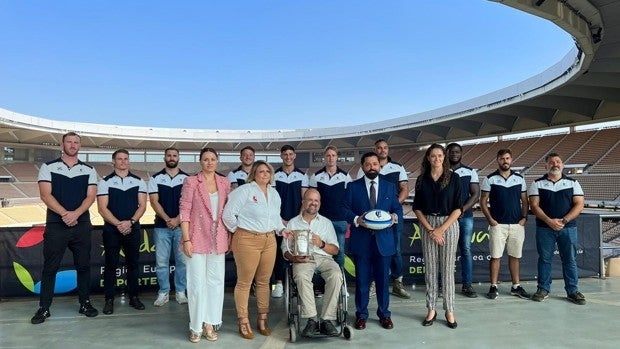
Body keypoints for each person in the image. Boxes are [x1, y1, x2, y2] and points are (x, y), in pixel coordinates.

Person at [31, 132, 99, 324]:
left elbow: (90, 197)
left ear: (79, 145)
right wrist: (65, 214)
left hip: (82, 224)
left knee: (83, 266)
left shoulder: (89, 169)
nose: (72, 144)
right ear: (62, 144)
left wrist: (75, 214)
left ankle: (85, 303)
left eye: (76, 142)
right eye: (69, 141)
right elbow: (45, 195)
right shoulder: (48, 167)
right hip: (56, 225)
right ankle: (44, 308)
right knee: (50, 267)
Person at [222, 160, 286, 340]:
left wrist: (282, 229)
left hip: (269, 240)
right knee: (244, 282)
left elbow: (275, 218)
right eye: (260, 171)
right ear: (254, 174)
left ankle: (262, 319)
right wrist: (240, 231)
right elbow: (228, 215)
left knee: (264, 282)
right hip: (247, 240)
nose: (264, 174)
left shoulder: (274, 194)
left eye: (267, 171)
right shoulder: (244, 191)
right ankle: (243, 321)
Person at [343, 152, 401, 331]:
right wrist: (355, 219)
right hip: (362, 243)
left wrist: (394, 217)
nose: (372, 167)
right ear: (362, 167)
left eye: (375, 163)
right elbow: (343, 209)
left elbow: (397, 209)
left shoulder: (390, 187)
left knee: (383, 282)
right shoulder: (353, 187)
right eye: (368, 164)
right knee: (362, 282)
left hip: (384, 243)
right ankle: (361, 315)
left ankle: (384, 314)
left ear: (379, 166)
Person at [179, 148, 231, 343]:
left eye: (212, 159)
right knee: (196, 284)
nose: (209, 162)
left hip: (218, 238)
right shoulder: (191, 182)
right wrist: (186, 240)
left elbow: (228, 211)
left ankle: (210, 322)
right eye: (206, 159)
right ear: (200, 162)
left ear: (217, 161)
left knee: (216, 283)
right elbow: (184, 212)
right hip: (196, 237)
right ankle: (195, 325)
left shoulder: (224, 183)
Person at [412, 143, 462, 329]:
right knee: (431, 269)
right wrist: (431, 230)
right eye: (433, 156)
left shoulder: (454, 178)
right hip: (428, 225)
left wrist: (441, 229)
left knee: (448, 269)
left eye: (440, 155)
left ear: (444, 157)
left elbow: (458, 208)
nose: (437, 159)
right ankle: (431, 308)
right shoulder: (421, 180)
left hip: (449, 224)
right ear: (428, 158)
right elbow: (417, 208)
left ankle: (449, 310)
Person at [282, 188, 343, 337]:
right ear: (303, 202)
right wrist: (295, 258)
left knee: (336, 275)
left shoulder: (326, 223)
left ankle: (327, 320)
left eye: (316, 201)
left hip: (324, 258)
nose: (313, 203)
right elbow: (284, 250)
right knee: (301, 276)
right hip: (302, 259)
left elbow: (335, 250)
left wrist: (321, 243)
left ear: (320, 204)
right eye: (310, 200)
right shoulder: (293, 223)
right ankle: (312, 319)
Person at [528, 153, 585, 304]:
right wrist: (549, 221)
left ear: (563, 165)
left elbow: (579, 204)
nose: (555, 164)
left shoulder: (573, 183)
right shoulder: (537, 183)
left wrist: (564, 220)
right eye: (551, 162)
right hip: (544, 229)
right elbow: (534, 206)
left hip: (568, 228)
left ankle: (572, 290)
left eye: (558, 162)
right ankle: (543, 289)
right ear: (546, 166)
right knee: (545, 259)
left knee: (569, 259)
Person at [97, 149, 148, 315]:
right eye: (119, 159)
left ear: (129, 161)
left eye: (126, 159)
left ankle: (134, 297)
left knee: (133, 265)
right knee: (111, 265)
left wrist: (131, 222)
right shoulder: (105, 182)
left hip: (133, 228)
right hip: (112, 229)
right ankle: (109, 300)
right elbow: (102, 208)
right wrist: (118, 224)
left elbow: (142, 206)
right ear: (113, 161)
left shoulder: (139, 181)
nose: (123, 161)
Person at [357, 139, 410, 299]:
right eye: (379, 148)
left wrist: (389, 210)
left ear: (388, 149)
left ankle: (397, 282)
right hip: (372, 218)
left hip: (392, 216)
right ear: (375, 149)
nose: (382, 150)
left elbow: (405, 189)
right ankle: (375, 281)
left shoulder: (398, 167)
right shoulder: (365, 168)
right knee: (373, 249)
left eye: (385, 147)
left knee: (396, 250)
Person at [480, 149, 531, 300]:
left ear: (511, 159)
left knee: (515, 256)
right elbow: (483, 201)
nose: (505, 161)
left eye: (507, 158)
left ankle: (516, 286)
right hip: (498, 225)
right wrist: (490, 219)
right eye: (502, 158)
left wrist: (524, 218)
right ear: (498, 160)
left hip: (516, 225)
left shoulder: (519, 178)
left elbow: (525, 201)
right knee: (495, 256)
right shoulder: (490, 179)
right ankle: (493, 286)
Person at [149, 147, 189, 306]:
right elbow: (154, 201)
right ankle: (163, 292)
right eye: (169, 155)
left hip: (182, 227)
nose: (172, 158)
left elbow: (189, 203)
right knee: (161, 262)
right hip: (161, 227)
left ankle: (180, 291)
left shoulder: (187, 179)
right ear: (164, 157)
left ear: (178, 158)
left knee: (182, 262)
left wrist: (178, 220)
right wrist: (167, 219)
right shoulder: (156, 178)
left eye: (174, 155)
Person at [272, 145, 308, 298]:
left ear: (294, 156)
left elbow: (304, 200)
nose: (288, 157)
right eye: (285, 154)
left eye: (290, 154)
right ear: (281, 156)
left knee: (298, 251)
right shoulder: (274, 175)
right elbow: (272, 201)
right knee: (278, 253)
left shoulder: (302, 176)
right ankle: (277, 285)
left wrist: (295, 220)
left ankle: (297, 283)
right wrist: (280, 220)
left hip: (296, 221)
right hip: (279, 222)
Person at [308, 145, 352, 268]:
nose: (330, 158)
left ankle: (340, 283)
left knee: (339, 252)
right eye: (328, 155)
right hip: (321, 220)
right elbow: (312, 198)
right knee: (319, 251)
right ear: (324, 158)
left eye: (333, 155)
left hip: (340, 221)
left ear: (337, 157)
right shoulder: (315, 176)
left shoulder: (345, 176)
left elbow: (349, 199)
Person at [446, 143, 480, 298]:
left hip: (465, 217)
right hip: (445, 218)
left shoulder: (470, 171)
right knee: (445, 252)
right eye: (451, 151)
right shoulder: (441, 171)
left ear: (461, 153)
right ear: (447, 153)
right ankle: (444, 285)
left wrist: (462, 209)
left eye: (457, 151)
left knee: (465, 250)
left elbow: (475, 194)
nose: (454, 153)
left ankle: (467, 285)